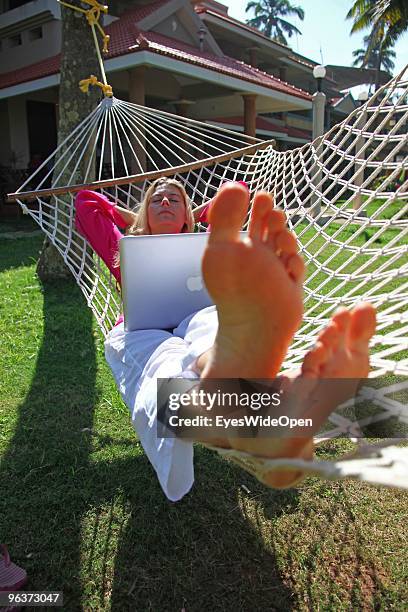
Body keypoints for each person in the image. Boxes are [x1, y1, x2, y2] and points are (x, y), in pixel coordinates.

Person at [75, 180, 376, 500]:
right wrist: (130, 217)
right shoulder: (125, 245)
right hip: (143, 328)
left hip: (201, 315)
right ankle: (258, 420)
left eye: (174, 199)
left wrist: (201, 214)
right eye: (156, 200)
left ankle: (224, 370)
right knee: (161, 360)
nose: (164, 203)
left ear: (188, 213)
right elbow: (85, 202)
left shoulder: (208, 244)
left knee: (211, 322)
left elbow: (239, 190)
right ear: (143, 211)